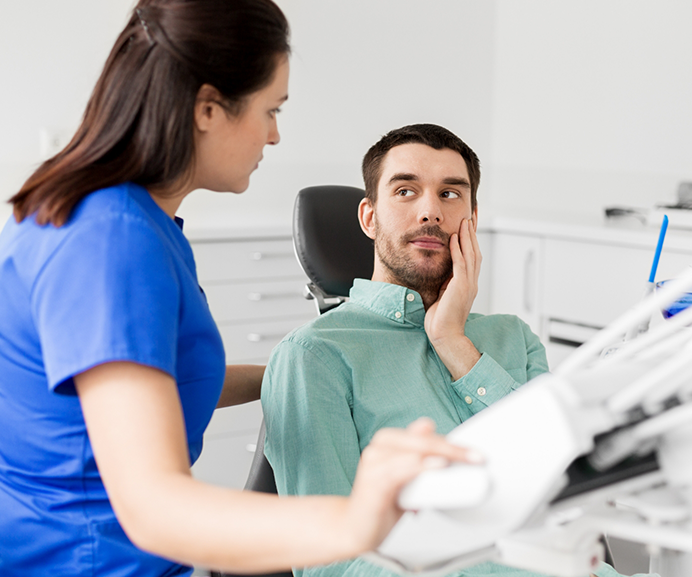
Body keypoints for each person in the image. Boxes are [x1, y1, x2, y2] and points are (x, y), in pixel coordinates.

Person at [0, 5, 475, 576]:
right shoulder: (111, 242)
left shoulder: (131, 222)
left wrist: (310, 362)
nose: (275, 134)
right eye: (270, 110)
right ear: (207, 109)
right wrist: (357, 520)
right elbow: (154, 510)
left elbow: (148, 379)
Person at [262, 124, 578, 577]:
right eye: (406, 191)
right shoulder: (314, 356)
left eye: (451, 194)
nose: (430, 211)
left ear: (471, 217)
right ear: (369, 217)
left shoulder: (514, 337)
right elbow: (330, 567)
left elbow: (564, 485)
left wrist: (454, 342)